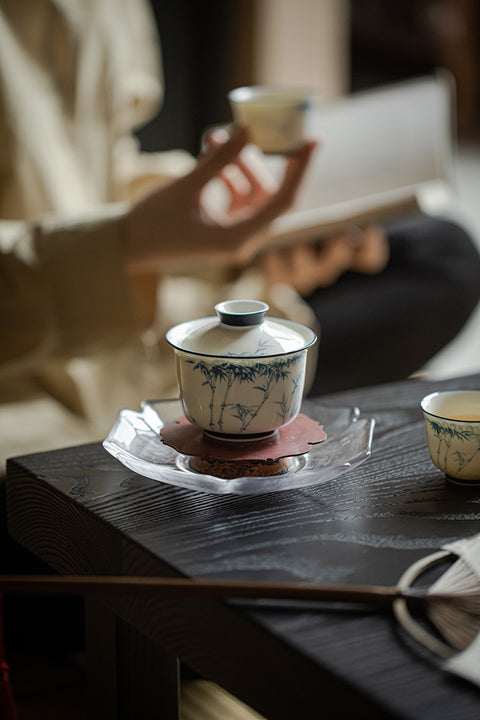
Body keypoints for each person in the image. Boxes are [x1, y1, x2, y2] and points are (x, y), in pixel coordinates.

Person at [1, 0, 480, 479]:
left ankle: (257, 385)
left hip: (148, 286)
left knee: (443, 251)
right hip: (39, 364)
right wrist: (127, 243)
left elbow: (103, 165)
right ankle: (250, 406)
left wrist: (219, 223)